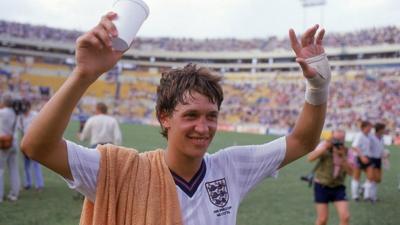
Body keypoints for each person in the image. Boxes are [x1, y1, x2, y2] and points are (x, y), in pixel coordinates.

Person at [21, 12, 331, 224]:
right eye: (191, 115)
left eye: (212, 116)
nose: (203, 127)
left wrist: (318, 87)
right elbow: (38, 146)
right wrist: (83, 74)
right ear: (164, 117)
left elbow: (302, 141)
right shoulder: (121, 173)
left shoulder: (232, 167)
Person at [307, 130, 352, 225]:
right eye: (336, 139)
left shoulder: (347, 152)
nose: (338, 142)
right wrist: (325, 148)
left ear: (344, 139)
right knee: (322, 219)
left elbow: (351, 172)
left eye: (341, 139)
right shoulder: (325, 146)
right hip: (322, 186)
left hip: (338, 187)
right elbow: (310, 158)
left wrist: (343, 157)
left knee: (345, 216)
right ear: (331, 138)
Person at [17, 99, 44, 191]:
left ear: (28, 107)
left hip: (35, 142)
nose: (24, 108)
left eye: (25, 106)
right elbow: (21, 131)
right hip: (25, 142)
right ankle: (27, 183)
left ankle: (39, 185)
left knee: (36, 165)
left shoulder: (35, 115)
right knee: (26, 165)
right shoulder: (20, 117)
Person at [0, 94, 20, 202]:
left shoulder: (2, 113)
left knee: (0, 169)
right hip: (13, 142)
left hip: (3, 143)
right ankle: (15, 193)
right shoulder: (15, 113)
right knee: (14, 169)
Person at [350, 121, 373, 201]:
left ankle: (365, 192)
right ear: (363, 127)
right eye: (368, 127)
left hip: (367, 157)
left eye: (370, 127)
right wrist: (362, 156)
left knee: (370, 176)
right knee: (356, 177)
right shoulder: (359, 135)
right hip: (358, 158)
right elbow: (354, 147)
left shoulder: (369, 136)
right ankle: (355, 196)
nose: (370, 128)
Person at [367, 122, 386, 202]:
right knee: (372, 178)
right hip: (372, 159)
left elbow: (381, 149)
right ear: (380, 129)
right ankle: (369, 196)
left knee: (377, 179)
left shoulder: (382, 138)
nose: (384, 130)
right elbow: (367, 148)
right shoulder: (371, 137)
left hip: (378, 159)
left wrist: (385, 155)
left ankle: (366, 191)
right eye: (383, 129)